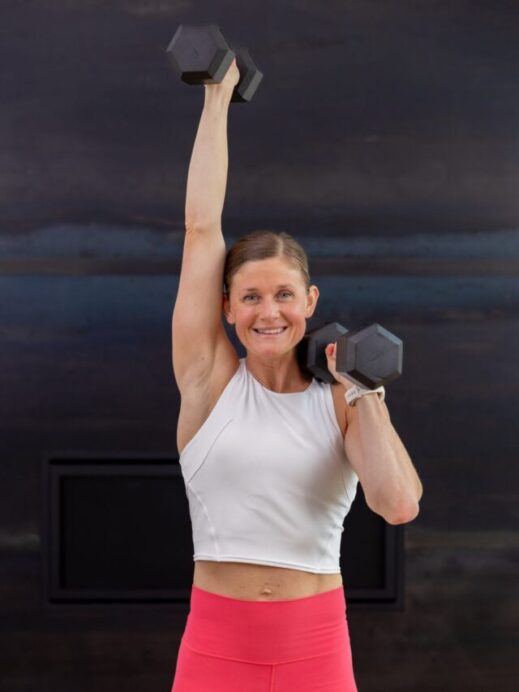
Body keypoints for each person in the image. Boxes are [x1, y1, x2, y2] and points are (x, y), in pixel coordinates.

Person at [170, 58, 423, 692]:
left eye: (283, 295)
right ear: (225, 308)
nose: (268, 312)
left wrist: (366, 393)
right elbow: (201, 230)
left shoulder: (342, 402)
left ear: (309, 302)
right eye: (249, 297)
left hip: (315, 647)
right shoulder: (207, 381)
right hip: (216, 647)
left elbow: (397, 504)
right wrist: (216, 101)